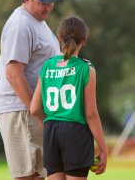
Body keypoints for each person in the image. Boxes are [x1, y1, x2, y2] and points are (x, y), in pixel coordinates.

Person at [0, 0, 62, 180]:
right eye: (43, 1)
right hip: (22, 110)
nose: (49, 7)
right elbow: (14, 74)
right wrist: (39, 114)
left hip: (33, 110)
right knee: (28, 177)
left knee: (40, 174)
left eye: (51, 2)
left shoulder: (38, 21)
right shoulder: (20, 25)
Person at [30, 16, 108, 180]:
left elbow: (35, 108)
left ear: (59, 37)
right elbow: (91, 114)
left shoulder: (47, 65)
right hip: (75, 132)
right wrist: (103, 149)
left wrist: (50, 126)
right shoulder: (86, 68)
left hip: (51, 131)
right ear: (84, 41)